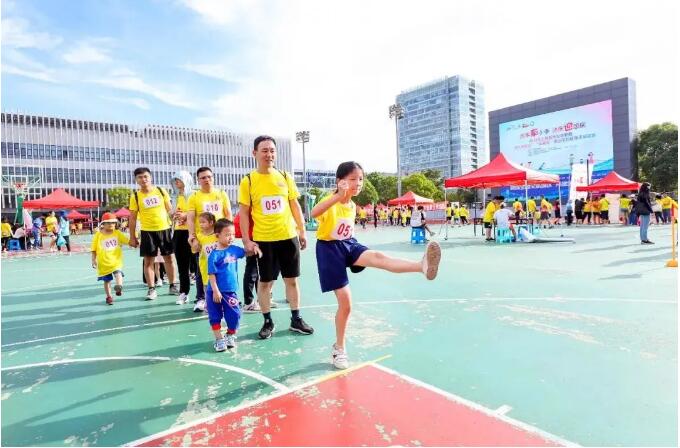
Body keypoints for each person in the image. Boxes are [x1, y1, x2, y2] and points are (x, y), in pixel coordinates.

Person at [312, 161, 441, 369]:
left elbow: (346, 233)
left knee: (378, 257)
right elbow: (314, 213)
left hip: (348, 245)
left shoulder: (353, 206)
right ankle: (339, 348)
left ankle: (422, 266)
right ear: (340, 181)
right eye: (353, 179)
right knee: (346, 302)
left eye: (361, 179)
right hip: (329, 250)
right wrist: (337, 196)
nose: (358, 183)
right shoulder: (331, 201)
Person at [239, 135, 313, 340]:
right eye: (264, 150)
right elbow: (243, 213)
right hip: (264, 240)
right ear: (254, 153)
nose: (269, 154)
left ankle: (296, 319)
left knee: (292, 280)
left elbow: (294, 205)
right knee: (265, 283)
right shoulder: (248, 180)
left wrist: (302, 230)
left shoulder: (285, 176)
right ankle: (267, 321)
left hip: (288, 237)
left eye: (272, 150)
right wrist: (246, 239)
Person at [206, 219, 259, 351]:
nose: (231, 237)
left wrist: (255, 247)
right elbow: (211, 275)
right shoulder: (214, 255)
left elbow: (247, 252)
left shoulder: (234, 250)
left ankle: (230, 334)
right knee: (215, 316)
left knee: (234, 314)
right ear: (217, 235)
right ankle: (219, 340)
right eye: (228, 234)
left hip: (230, 291)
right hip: (215, 291)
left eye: (233, 234)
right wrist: (216, 291)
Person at [128, 167, 178, 300]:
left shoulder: (161, 191)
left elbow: (170, 210)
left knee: (169, 258)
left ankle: (173, 285)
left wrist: (178, 215)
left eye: (145, 176)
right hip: (147, 232)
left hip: (165, 229)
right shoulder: (136, 196)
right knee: (148, 261)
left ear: (150, 177)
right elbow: (132, 218)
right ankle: (151, 289)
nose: (143, 179)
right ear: (136, 180)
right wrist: (132, 237)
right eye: (140, 177)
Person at [187, 166, 233, 312]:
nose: (207, 180)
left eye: (209, 177)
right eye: (203, 178)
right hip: (204, 238)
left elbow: (228, 214)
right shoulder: (194, 197)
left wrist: (229, 235)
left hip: (220, 239)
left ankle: (225, 296)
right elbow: (191, 217)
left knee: (223, 267)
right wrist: (192, 236)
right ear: (198, 180)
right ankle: (201, 299)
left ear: (213, 178)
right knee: (203, 268)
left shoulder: (221, 193)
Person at [91, 212, 129, 305]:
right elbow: (93, 249)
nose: (111, 225)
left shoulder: (117, 233)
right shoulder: (98, 235)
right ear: (103, 224)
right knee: (107, 281)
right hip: (104, 262)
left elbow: (127, 241)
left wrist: (136, 242)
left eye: (113, 223)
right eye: (108, 223)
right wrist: (93, 260)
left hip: (116, 260)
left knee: (118, 273)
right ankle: (109, 296)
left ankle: (119, 286)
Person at [171, 171, 194, 305]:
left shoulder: (194, 195)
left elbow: (197, 212)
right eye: (175, 181)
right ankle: (184, 292)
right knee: (182, 265)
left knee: (197, 266)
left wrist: (186, 215)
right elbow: (173, 214)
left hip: (192, 232)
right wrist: (173, 215)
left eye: (179, 180)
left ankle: (202, 296)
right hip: (179, 233)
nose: (177, 183)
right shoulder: (175, 197)